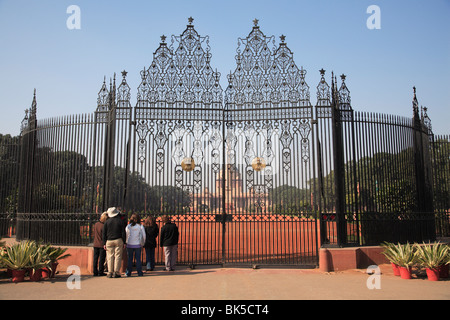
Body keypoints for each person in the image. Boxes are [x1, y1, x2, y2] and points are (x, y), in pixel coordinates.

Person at [103, 207, 126, 278]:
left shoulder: (107, 222)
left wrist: (104, 243)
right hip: (118, 239)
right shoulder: (120, 221)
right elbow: (123, 232)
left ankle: (110, 272)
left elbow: (104, 233)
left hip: (109, 240)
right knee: (118, 256)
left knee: (110, 256)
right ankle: (116, 272)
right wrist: (124, 242)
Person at [93, 212, 108, 276]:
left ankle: (95, 271)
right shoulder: (104, 226)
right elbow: (104, 236)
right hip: (101, 244)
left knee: (95, 258)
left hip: (95, 243)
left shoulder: (96, 224)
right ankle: (100, 271)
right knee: (101, 258)